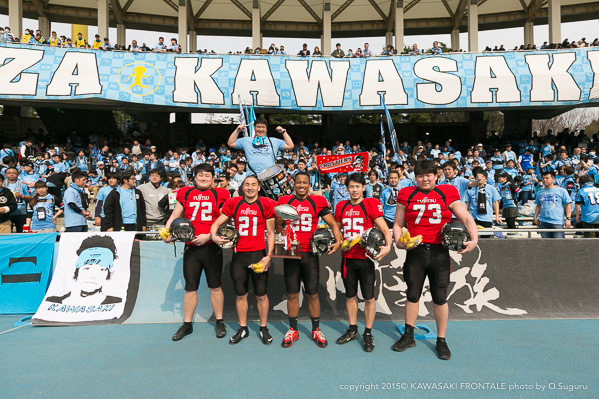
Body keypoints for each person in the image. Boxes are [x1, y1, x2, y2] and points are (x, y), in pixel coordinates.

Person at [393, 160, 478, 360]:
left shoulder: (446, 191)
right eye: (421, 175)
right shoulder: (406, 193)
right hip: (415, 251)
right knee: (412, 294)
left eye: (429, 175)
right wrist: (398, 242)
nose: (425, 179)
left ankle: (441, 339)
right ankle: (408, 335)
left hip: (439, 252)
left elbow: (466, 218)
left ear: (436, 175)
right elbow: (398, 223)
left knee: (440, 297)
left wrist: (474, 240)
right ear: (415, 177)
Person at [165, 164, 231, 341]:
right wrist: (167, 231)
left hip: (212, 246)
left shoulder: (221, 194)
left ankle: (219, 321)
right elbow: (174, 216)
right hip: (191, 246)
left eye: (207, 175)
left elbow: (226, 219)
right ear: (194, 177)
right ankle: (187, 324)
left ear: (213, 178)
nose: (203, 178)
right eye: (200, 175)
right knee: (190, 287)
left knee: (215, 287)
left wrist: (208, 235)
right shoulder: (185, 193)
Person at [276, 172, 342, 348]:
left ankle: (316, 329)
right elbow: (278, 224)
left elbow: (333, 224)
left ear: (309, 184)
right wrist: (281, 230)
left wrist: (337, 241)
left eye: (305, 182)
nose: (302, 185)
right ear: (294, 183)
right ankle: (293, 329)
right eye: (298, 182)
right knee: (292, 294)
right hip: (291, 252)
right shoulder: (286, 201)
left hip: (310, 253)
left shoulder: (317, 201)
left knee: (312, 293)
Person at [211, 175, 276, 345]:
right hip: (239, 255)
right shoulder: (234, 203)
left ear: (258, 188)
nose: (250, 187)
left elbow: (271, 233)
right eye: (247, 184)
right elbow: (216, 223)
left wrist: (268, 256)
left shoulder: (266, 204)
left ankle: (263, 328)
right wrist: (213, 236)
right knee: (241, 295)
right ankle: (243, 328)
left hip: (258, 255)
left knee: (261, 295)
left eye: (253, 185)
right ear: (242, 187)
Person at [334, 173, 392, 352]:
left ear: (363, 188)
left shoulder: (370, 204)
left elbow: (384, 228)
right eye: (351, 187)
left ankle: (367, 332)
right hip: (348, 258)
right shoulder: (341, 206)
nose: (354, 190)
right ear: (347, 188)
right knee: (350, 296)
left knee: (368, 297)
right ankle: (352, 329)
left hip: (365, 258)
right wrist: (337, 241)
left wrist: (388, 246)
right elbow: (337, 229)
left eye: (358, 187)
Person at [46, 235, 122, 305]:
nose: (93, 276)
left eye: (101, 269)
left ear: (107, 273)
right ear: (78, 270)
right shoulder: (53, 302)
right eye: (87, 268)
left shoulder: (116, 303)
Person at [227, 117, 294, 177]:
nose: (260, 129)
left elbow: (290, 145)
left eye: (263, 127)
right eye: (258, 127)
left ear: (266, 129)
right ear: (254, 128)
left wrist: (283, 132)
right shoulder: (246, 140)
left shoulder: (273, 141)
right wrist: (237, 130)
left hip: (269, 177)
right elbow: (230, 143)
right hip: (252, 176)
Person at [534, 170, 572, 238]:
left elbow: (568, 205)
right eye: (543, 178)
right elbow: (538, 205)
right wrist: (535, 216)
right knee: (546, 244)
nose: (545, 180)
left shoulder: (562, 191)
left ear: (553, 179)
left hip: (557, 222)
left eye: (547, 178)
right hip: (543, 221)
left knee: (559, 244)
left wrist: (568, 219)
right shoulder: (540, 192)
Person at [3, 167, 30, 232]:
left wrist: (21, 196)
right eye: (9, 173)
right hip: (7, 213)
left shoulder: (23, 185)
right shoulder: (3, 185)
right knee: (7, 233)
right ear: (5, 174)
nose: (11, 174)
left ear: (18, 174)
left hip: (20, 212)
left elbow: (30, 197)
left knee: (20, 232)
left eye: (14, 173)